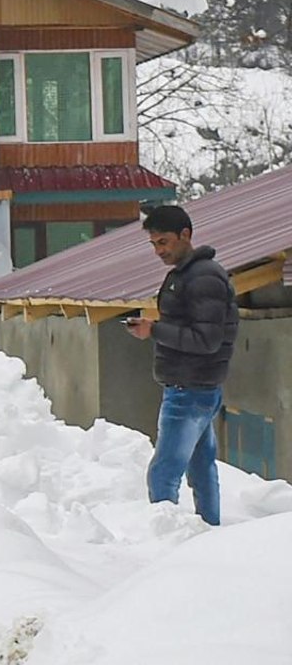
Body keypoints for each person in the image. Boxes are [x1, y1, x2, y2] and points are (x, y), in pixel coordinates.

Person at [125, 205, 238, 526]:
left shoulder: (203, 277)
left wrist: (154, 330)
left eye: (164, 242)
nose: (159, 251)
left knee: (163, 473)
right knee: (201, 468)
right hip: (196, 386)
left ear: (185, 235)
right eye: (154, 244)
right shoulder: (189, 274)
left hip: (189, 390)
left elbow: (207, 340)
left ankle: (167, 551)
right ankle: (209, 533)